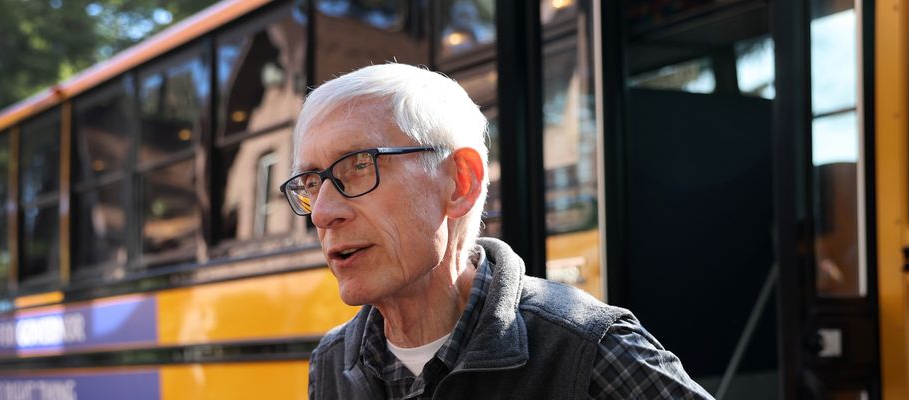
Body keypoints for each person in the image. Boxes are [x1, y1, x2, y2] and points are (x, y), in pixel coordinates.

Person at [283, 63, 711, 399]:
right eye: (311, 182)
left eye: (358, 166)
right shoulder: (333, 362)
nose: (322, 213)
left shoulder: (588, 349)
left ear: (460, 182)